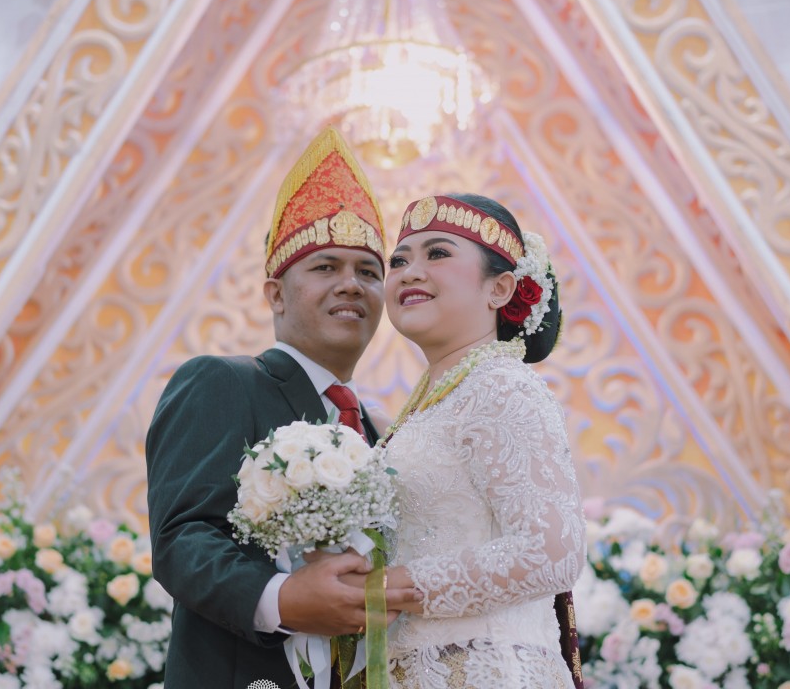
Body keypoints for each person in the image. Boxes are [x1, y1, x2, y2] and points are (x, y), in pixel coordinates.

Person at [144, 127, 419, 688]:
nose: (351, 284)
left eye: (368, 272)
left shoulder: (378, 430)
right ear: (275, 294)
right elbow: (183, 537)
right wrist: (283, 598)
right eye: (326, 267)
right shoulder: (224, 382)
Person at [377, 193, 587, 688]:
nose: (409, 272)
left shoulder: (501, 386)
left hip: (488, 670)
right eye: (399, 261)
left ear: (500, 288)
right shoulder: (435, 399)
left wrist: (393, 587)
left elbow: (552, 551)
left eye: (437, 253)